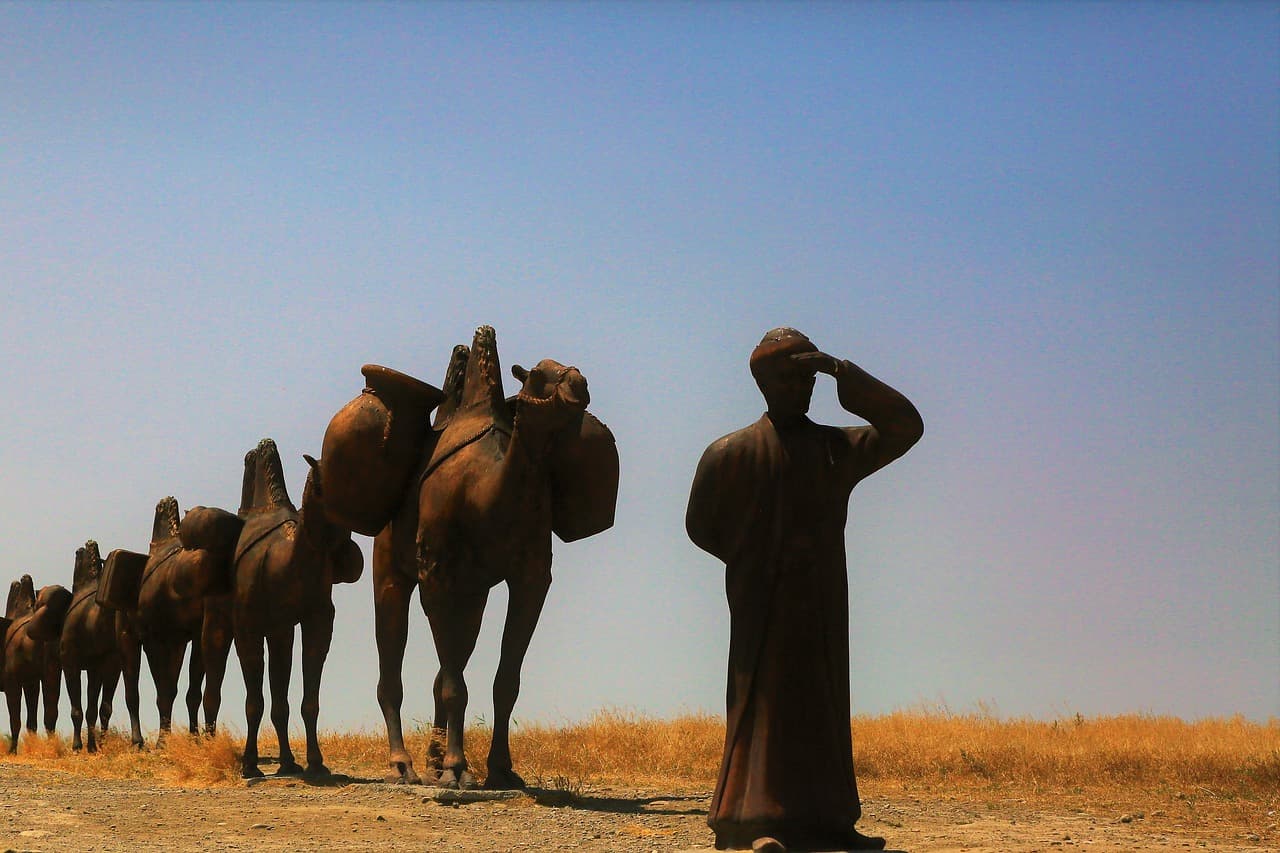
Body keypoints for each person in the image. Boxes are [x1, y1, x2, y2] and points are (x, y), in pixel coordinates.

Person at [686, 328, 923, 852]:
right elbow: (699, 525)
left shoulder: (833, 448)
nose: (803, 387)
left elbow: (906, 426)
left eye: (808, 377)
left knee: (822, 703)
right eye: (792, 378)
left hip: (819, 603)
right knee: (763, 704)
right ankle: (752, 820)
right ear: (766, 384)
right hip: (762, 603)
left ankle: (830, 822)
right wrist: (750, 561)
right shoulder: (730, 452)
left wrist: (845, 373)